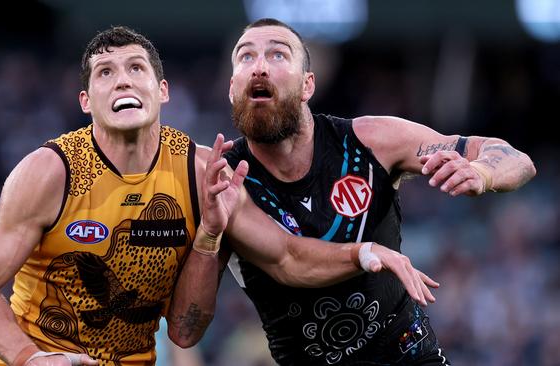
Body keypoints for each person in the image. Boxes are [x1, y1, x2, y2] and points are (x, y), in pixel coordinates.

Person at [0, 26, 438, 366]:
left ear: (162, 91)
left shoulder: (201, 172)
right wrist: (29, 358)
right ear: (86, 102)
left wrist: (209, 236)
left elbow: (275, 267)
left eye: (136, 68)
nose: (121, 78)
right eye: (105, 73)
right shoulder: (49, 172)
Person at [218, 18, 537, 366]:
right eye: (246, 57)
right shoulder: (224, 178)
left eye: (278, 55)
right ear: (233, 88)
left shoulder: (370, 142)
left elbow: (517, 160)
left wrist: (482, 171)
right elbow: (286, 259)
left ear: (308, 84)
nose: (260, 66)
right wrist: (206, 239)